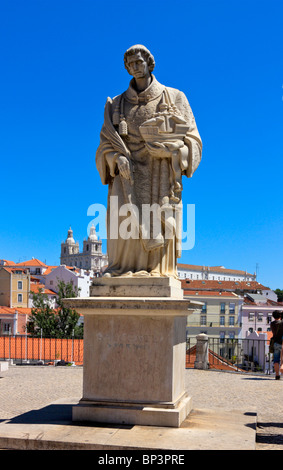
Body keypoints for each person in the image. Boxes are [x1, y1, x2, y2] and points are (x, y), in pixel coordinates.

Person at [95, 45, 202, 278]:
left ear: (150, 63)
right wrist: (115, 158)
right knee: (124, 221)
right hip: (126, 177)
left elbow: (193, 141)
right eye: (130, 64)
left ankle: (158, 269)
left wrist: (172, 152)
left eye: (139, 62)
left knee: (161, 218)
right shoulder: (116, 104)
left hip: (160, 174)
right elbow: (104, 146)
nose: (135, 67)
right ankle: (122, 268)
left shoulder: (174, 97)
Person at [270, 310, 283, 379]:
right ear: (280, 316)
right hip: (282, 343)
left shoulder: (272, 324)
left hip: (275, 343)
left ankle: (277, 375)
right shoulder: (282, 323)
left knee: (276, 360)